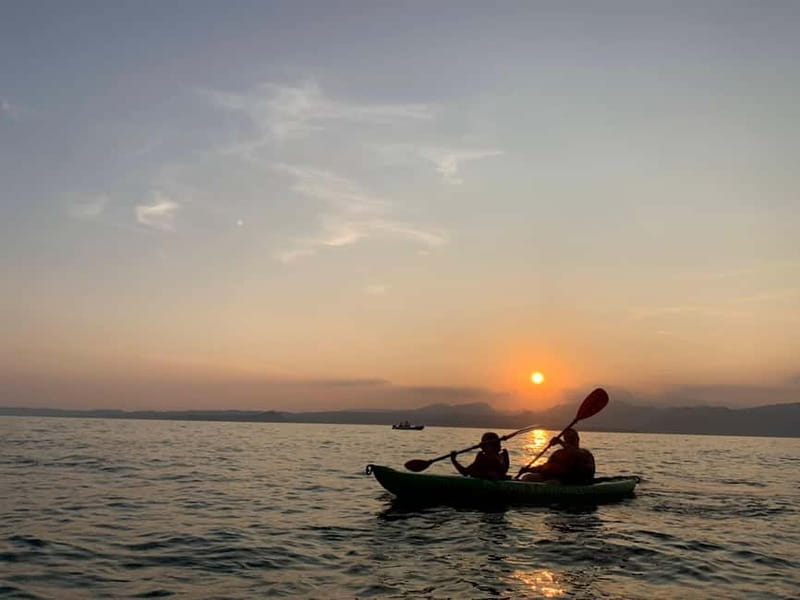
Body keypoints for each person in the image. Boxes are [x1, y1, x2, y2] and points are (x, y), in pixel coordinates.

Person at [518, 428, 595, 484]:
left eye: (572, 438)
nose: (570, 441)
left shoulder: (585, 453)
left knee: (551, 483)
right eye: (567, 439)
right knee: (528, 477)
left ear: (578, 439)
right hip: (555, 477)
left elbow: (577, 455)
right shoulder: (559, 453)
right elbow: (547, 467)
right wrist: (529, 469)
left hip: (573, 481)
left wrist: (560, 442)